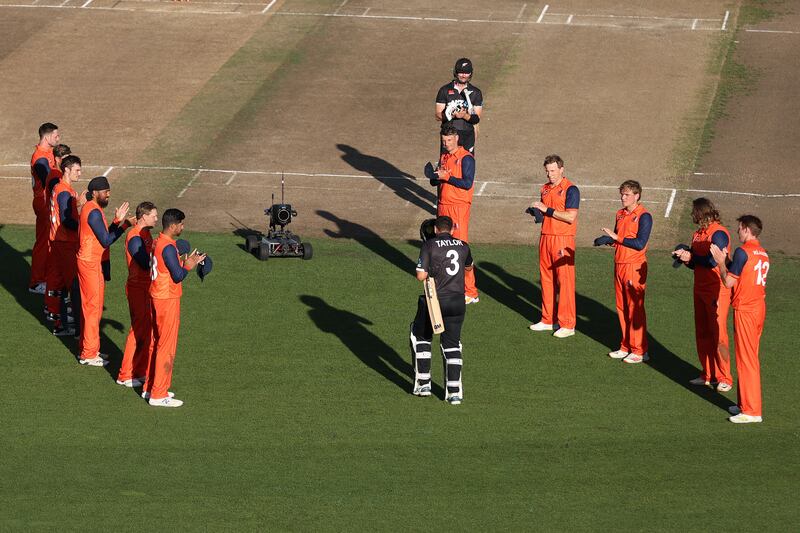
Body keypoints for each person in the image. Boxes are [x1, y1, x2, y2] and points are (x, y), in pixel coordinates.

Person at [143, 208, 206, 407]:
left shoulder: (157, 241)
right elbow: (178, 275)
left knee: (156, 343)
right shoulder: (168, 246)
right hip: (166, 299)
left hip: (156, 295)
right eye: (181, 224)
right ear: (172, 225)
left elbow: (164, 267)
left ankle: (150, 387)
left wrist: (182, 262)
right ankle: (158, 394)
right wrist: (189, 264)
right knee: (166, 346)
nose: (182, 227)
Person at [710, 215, 769, 423]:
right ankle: (745, 404)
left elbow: (728, 282)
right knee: (748, 356)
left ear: (745, 229)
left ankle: (752, 411)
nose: (737, 231)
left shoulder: (743, 251)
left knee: (747, 359)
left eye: (739, 228)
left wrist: (720, 263)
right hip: (758, 308)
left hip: (746, 310)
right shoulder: (762, 253)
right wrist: (726, 261)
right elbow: (741, 273)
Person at [410, 216, 473, 405]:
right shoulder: (463, 245)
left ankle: (423, 384)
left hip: (435, 300)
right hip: (457, 301)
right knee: (452, 344)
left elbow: (421, 276)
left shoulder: (430, 245)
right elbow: (469, 267)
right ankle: (454, 392)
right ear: (452, 229)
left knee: (420, 335)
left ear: (436, 229)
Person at [672, 198, 733, 392]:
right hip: (699, 288)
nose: (691, 215)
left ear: (701, 213)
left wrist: (692, 257)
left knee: (719, 334)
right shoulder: (697, 234)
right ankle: (708, 374)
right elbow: (696, 264)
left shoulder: (719, 234)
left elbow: (713, 262)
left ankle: (725, 377)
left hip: (717, 290)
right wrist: (685, 258)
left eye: (694, 212)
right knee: (702, 332)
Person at [77, 176, 130, 366]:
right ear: (95, 192)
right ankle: (89, 353)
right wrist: (121, 224)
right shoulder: (93, 212)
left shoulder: (93, 209)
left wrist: (120, 223)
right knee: (92, 308)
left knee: (93, 308)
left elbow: (103, 235)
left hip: (91, 261)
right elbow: (106, 240)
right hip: (90, 263)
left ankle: (89, 347)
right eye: (105, 191)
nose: (108, 194)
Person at [599, 180, 653, 364]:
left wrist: (616, 237)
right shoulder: (620, 214)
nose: (623, 198)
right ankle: (626, 346)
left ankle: (639, 351)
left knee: (634, 309)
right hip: (619, 264)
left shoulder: (644, 216)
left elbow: (639, 244)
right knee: (622, 308)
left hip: (634, 267)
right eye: (622, 194)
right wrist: (608, 240)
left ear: (636, 196)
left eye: (627, 195)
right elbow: (618, 239)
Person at [529, 154, 580, 338]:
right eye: (547, 171)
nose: (550, 175)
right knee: (547, 280)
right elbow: (544, 215)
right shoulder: (544, 189)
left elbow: (570, 216)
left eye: (552, 170)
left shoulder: (571, 189)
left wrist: (546, 210)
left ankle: (567, 324)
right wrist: (536, 212)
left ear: (561, 169)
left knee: (564, 282)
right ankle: (547, 319)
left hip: (563, 239)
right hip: (546, 237)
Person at [431, 124, 479, 304]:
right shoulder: (444, 156)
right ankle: (450, 287)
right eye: (444, 141)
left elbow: (467, 183)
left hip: (458, 207)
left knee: (460, 249)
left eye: (449, 140)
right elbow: (437, 182)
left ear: (457, 138)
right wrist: (434, 176)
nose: (446, 144)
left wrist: (446, 177)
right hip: (443, 206)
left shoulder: (467, 158)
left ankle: (471, 291)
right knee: (443, 249)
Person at [116, 202, 158, 388]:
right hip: (137, 288)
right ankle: (125, 374)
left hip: (146, 287)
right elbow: (143, 262)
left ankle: (138, 371)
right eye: (153, 215)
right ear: (143, 216)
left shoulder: (146, 234)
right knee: (138, 330)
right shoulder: (135, 237)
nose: (156, 219)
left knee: (146, 330)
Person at [47, 155, 86, 335]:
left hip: (57, 242)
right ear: (67, 170)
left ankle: (60, 324)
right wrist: (86, 226)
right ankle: (79, 330)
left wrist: (76, 205)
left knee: (60, 285)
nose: (80, 173)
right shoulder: (64, 191)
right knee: (74, 286)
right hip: (65, 243)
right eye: (77, 170)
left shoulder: (60, 188)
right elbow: (66, 220)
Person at [29, 123, 61, 293]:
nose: (58, 138)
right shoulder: (40, 158)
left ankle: (45, 276)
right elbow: (48, 179)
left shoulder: (48, 152)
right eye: (56, 136)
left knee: (49, 242)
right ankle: (36, 282)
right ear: (47, 137)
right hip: (43, 203)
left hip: (47, 202)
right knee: (43, 243)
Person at [43, 144, 73, 323]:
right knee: (59, 276)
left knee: (55, 275)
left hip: (55, 233)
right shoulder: (57, 178)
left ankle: (53, 309)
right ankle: (56, 310)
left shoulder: (55, 176)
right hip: (59, 235)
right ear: (60, 159)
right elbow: (62, 208)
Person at [435, 58, 483, 154]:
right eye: (461, 72)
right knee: (447, 165)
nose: (463, 75)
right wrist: (450, 115)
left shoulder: (476, 92)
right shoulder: (444, 90)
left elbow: (476, 118)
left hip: (467, 135)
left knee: (466, 165)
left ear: (470, 73)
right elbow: (437, 116)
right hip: (448, 135)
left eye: (466, 73)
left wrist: (464, 115)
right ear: (455, 72)